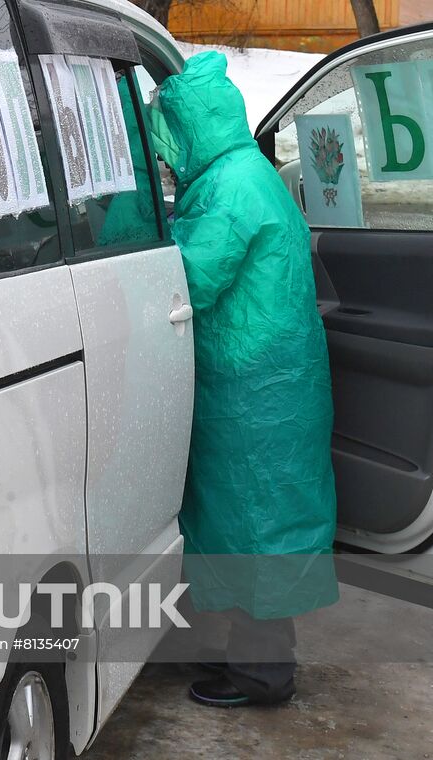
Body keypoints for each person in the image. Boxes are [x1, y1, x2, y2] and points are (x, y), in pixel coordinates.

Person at [148, 51, 339, 707]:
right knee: (243, 522)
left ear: (193, 126)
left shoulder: (230, 190)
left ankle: (263, 675)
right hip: (266, 389)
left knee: (257, 529)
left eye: (170, 135)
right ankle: (231, 652)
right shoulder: (242, 174)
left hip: (257, 398)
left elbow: (189, 280)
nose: (167, 153)